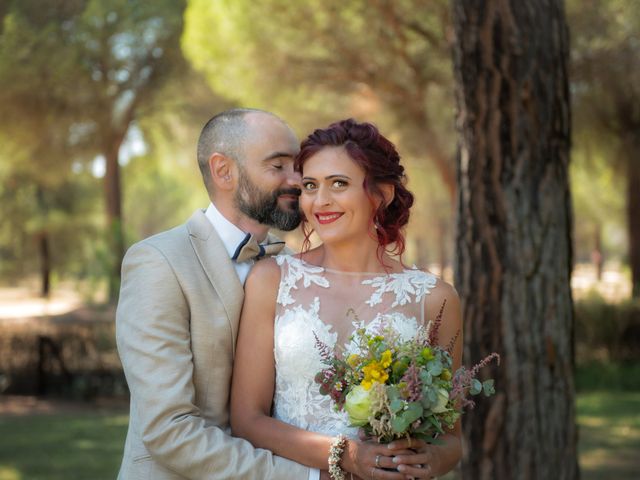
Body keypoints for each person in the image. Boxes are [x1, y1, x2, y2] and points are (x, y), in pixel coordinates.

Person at [231, 119, 463, 479]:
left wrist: (431, 460)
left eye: (339, 184)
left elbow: (451, 439)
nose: (320, 201)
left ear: (382, 193)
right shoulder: (272, 280)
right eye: (310, 185)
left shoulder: (434, 298)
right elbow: (247, 419)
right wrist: (345, 455)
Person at [116, 108, 316, 479]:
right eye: (278, 166)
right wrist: (309, 476)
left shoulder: (296, 269)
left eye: (298, 165)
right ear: (224, 170)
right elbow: (169, 430)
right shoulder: (158, 262)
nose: (298, 179)